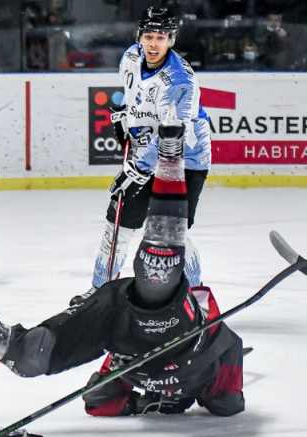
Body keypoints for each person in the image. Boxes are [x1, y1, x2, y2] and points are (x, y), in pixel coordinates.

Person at [0, 116, 244, 418]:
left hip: (120, 329)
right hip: (123, 311)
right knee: (161, 267)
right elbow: (229, 400)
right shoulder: (219, 345)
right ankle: (170, 155)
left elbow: (98, 402)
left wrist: (147, 402)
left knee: (28, 358)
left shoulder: (145, 369)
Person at [70, 7, 211, 305]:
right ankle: (99, 294)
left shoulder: (179, 81)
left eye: (160, 38)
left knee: (171, 233)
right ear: (140, 38)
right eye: (148, 36)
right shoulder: (131, 57)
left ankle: (196, 297)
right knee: (117, 226)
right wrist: (127, 119)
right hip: (147, 155)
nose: (153, 44)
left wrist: (137, 169)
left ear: (171, 41)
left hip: (185, 160)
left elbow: (173, 136)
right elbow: (137, 99)